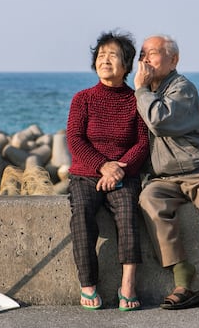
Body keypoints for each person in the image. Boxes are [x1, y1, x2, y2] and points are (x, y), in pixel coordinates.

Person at [133, 34, 199, 311]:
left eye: (152, 53)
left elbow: (160, 121)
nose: (145, 59)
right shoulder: (143, 93)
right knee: (149, 200)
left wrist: (141, 91)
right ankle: (183, 279)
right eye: (142, 54)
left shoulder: (182, 88)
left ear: (174, 60)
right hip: (164, 179)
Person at [66, 30, 149, 311]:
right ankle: (88, 284)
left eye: (112, 55)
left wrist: (118, 171)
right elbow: (75, 139)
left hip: (124, 174)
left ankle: (128, 285)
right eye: (101, 55)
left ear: (126, 65)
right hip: (86, 174)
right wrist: (103, 166)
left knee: (127, 211)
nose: (105, 60)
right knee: (82, 214)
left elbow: (142, 142)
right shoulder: (83, 98)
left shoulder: (135, 100)